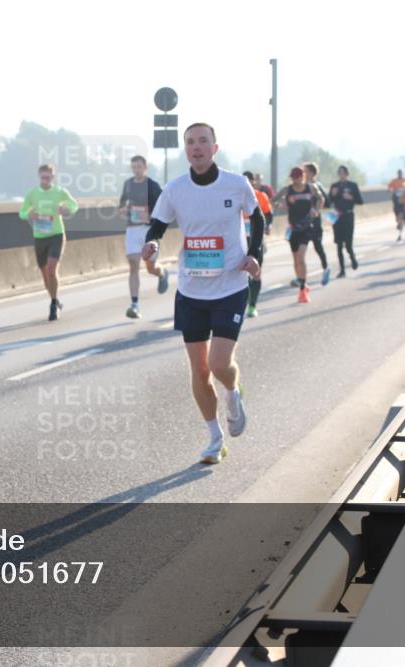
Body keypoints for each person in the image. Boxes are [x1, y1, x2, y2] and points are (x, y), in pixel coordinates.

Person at [141, 123, 263, 464]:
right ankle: (214, 438)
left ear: (215, 147)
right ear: (186, 150)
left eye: (203, 141)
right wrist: (152, 241)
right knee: (198, 370)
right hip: (192, 289)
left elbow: (258, 219)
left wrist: (254, 253)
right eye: (191, 142)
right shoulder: (176, 189)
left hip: (230, 286)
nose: (197, 147)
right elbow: (159, 223)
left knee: (219, 363)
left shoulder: (236, 184)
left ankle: (233, 391)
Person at [19, 164, 79, 321]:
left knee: (52, 269)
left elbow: (74, 205)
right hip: (40, 237)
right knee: (45, 274)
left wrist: (66, 210)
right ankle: (55, 298)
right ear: (39, 177)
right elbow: (22, 212)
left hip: (56, 235)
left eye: (49, 177)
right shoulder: (32, 194)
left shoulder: (59, 192)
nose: (46, 180)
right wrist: (29, 214)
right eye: (43, 177)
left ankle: (53, 304)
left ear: (53, 177)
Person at [118, 155, 168, 318]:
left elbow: (164, 208)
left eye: (139, 167)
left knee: (150, 267)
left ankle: (162, 273)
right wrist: (123, 211)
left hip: (149, 231)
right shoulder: (128, 185)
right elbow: (121, 206)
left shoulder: (153, 186)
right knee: (133, 264)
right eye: (134, 167)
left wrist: (150, 216)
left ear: (146, 168)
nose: (136, 170)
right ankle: (134, 304)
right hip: (132, 230)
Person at [271, 166, 323, 303]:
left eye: (298, 177)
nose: (296, 180)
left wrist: (315, 210)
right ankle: (302, 283)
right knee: (295, 260)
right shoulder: (287, 190)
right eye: (293, 177)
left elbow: (321, 199)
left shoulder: (310, 188)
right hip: (293, 228)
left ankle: (302, 288)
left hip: (306, 227)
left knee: (301, 257)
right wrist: (281, 205)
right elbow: (272, 200)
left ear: (303, 176)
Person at [242, 170, 272, 317]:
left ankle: (252, 305)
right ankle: (244, 302)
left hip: (255, 241)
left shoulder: (260, 196)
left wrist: (267, 226)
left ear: (253, 182)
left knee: (256, 273)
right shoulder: (235, 195)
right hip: (239, 242)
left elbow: (268, 215)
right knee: (241, 275)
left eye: (249, 181)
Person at [326, 165, 364, 275]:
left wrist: (351, 198)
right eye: (339, 173)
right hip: (337, 216)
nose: (341, 175)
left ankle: (352, 257)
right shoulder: (334, 186)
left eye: (343, 173)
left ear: (347, 174)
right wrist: (332, 195)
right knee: (338, 244)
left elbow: (360, 201)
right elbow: (328, 202)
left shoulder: (352, 185)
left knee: (348, 244)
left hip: (348, 215)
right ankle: (342, 270)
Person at [303, 162, 332, 285]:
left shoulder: (317, 186)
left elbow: (327, 201)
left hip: (314, 222)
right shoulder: (301, 186)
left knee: (317, 246)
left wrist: (316, 209)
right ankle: (301, 277)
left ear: (311, 173)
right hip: (302, 222)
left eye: (305, 171)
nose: (303, 173)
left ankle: (326, 268)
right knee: (300, 249)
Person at [387, 168, 405, 242]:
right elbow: (389, 188)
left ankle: (400, 233)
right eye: (398, 173)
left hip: (403, 201)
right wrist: (391, 191)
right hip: (396, 201)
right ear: (397, 174)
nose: (400, 174)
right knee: (397, 215)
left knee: (401, 215)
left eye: (401, 173)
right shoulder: (394, 181)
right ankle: (399, 223)